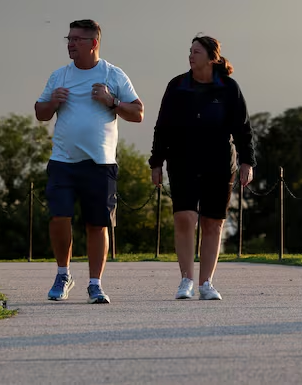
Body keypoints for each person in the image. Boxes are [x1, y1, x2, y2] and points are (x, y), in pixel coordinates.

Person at [34, 19, 144, 304]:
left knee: (97, 225)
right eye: (68, 39)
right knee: (59, 217)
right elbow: (41, 113)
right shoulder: (59, 76)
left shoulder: (113, 74)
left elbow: (138, 113)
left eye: (77, 39)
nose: (70, 44)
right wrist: (52, 103)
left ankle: (95, 284)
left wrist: (112, 102)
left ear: (93, 43)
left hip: (100, 163)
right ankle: (63, 274)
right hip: (63, 161)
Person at [149, 36, 255, 301]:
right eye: (190, 51)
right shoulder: (177, 86)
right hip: (182, 161)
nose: (191, 56)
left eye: (196, 52)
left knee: (212, 223)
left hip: (219, 163)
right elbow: (162, 127)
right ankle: (186, 280)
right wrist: (156, 162)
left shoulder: (229, 88)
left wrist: (247, 162)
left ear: (211, 58)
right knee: (185, 218)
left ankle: (206, 283)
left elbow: (243, 129)